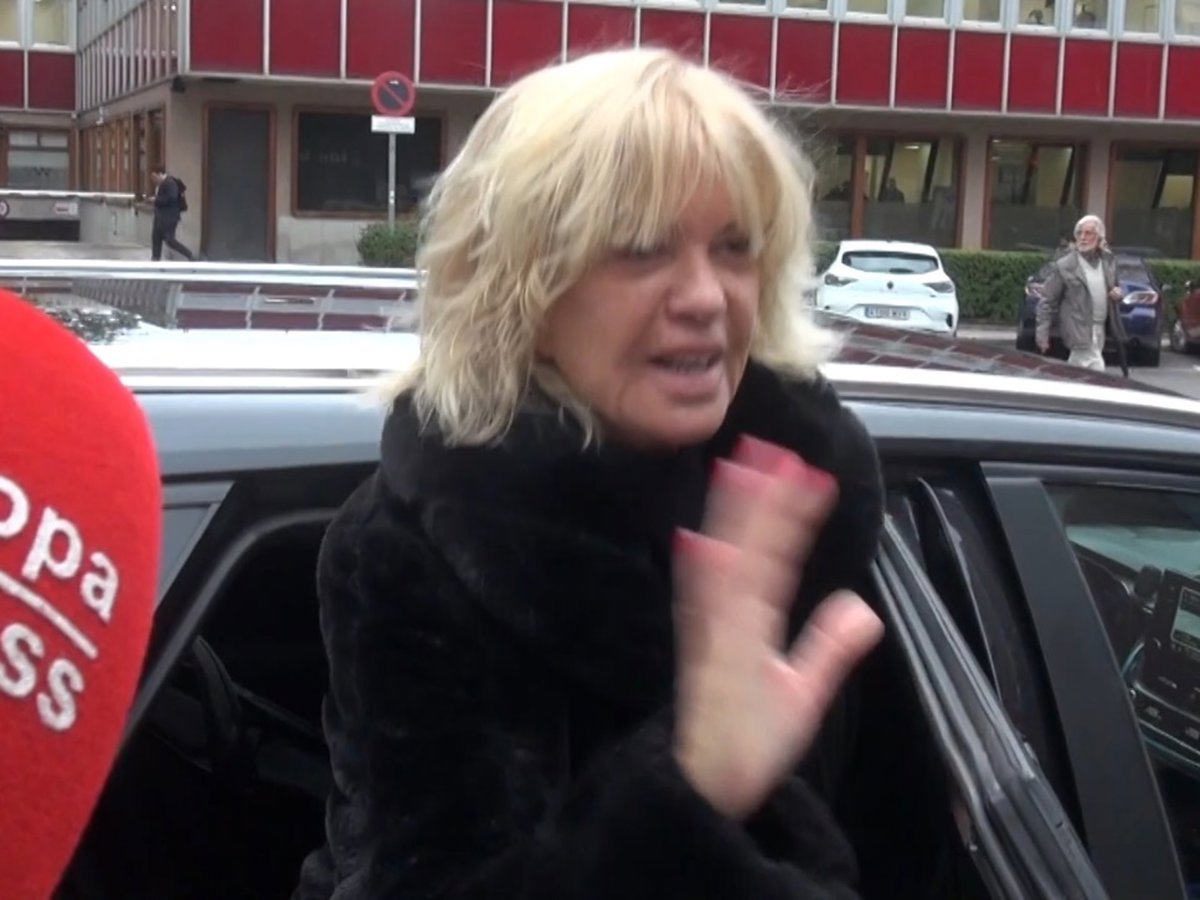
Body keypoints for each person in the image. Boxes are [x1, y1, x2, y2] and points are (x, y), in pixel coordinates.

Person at [293, 47, 888, 900]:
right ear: (523, 290)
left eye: (734, 247)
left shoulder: (808, 498)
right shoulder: (417, 549)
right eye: (641, 249)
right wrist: (684, 791)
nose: (706, 297)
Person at [1036, 214, 1126, 372]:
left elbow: (1112, 289)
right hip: (1078, 328)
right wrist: (1042, 333)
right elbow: (1047, 300)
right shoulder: (1066, 266)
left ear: (1099, 237)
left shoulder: (1107, 261)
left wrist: (1116, 294)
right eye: (1079, 233)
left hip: (1100, 328)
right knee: (1096, 368)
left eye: (1088, 233)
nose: (1083, 238)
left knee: (1079, 372)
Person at [149, 164, 195, 262]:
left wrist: (156, 200)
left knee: (169, 240)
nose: (153, 180)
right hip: (160, 217)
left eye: (154, 177)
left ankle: (189, 255)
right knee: (156, 238)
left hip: (169, 217)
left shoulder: (170, 183)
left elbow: (171, 198)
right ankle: (155, 259)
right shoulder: (162, 184)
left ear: (160, 174)